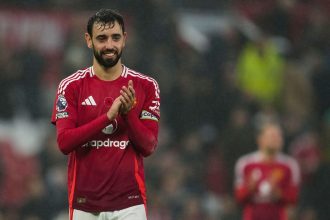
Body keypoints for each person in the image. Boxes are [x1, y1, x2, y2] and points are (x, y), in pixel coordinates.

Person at [51, 9, 160, 220]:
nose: (109, 45)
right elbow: (64, 143)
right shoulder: (71, 86)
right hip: (85, 204)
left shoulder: (146, 86)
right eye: (102, 38)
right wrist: (107, 118)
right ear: (88, 40)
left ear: (124, 39)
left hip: (130, 203)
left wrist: (128, 115)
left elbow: (149, 146)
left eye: (115, 38)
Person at [234, 120, 300, 220]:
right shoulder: (245, 164)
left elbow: (293, 198)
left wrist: (278, 193)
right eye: (272, 136)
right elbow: (239, 197)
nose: (276, 139)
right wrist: (250, 189)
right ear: (260, 139)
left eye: (279, 136)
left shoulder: (289, 165)